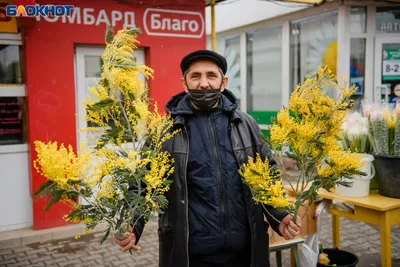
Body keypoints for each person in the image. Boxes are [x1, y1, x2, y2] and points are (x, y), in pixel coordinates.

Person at [115, 50, 301, 267]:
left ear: (223, 82)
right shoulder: (164, 132)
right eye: (195, 76)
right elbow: (141, 184)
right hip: (190, 255)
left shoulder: (246, 125)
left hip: (245, 253)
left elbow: (267, 177)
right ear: (184, 83)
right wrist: (131, 223)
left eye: (211, 75)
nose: (204, 83)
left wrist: (279, 216)